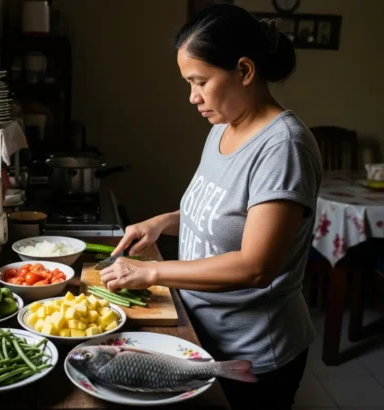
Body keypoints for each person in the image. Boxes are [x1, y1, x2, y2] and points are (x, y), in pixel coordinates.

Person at [100, 4, 322, 410]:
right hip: (203, 332)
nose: (192, 97)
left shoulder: (283, 147)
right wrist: (164, 222)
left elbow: (256, 265)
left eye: (199, 81)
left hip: (255, 352)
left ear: (244, 70)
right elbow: (227, 215)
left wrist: (151, 270)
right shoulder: (222, 127)